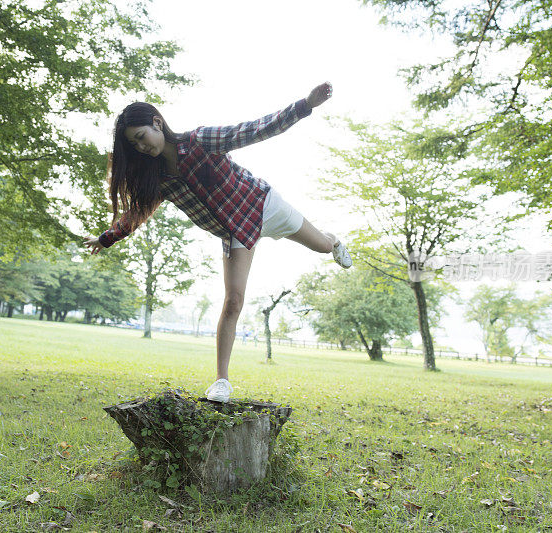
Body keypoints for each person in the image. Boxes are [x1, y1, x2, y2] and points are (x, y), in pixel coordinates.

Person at [83, 82, 352, 402]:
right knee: (234, 300)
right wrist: (106, 238)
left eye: (141, 138)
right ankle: (221, 381)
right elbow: (137, 213)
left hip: (263, 205)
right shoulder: (161, 180)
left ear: (157, 123)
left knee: (321, 246)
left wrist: (305, 105)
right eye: (134, 146)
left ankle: (334, 242)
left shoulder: (200, 141)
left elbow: (253, 130)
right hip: (235, 232)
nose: (141, 148)